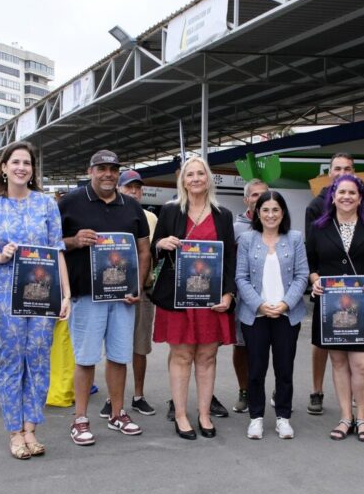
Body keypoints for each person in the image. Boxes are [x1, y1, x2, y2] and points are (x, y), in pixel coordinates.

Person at [0, 141, 70, 458]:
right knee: (12, 361)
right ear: (3, 167)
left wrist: (65, 294)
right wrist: (0, 256)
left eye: (27, 163)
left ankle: (31, 429)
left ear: (32, 171)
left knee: (39, 359)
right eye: (15, 162)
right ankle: (14, 432)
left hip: (43, 295)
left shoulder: (46, 205)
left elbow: (57, 252)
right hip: (5, 294)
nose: (21, 168)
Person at [59, 149, 151, 445]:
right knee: (85, 359)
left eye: (113, 168)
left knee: (119, 356)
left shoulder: (132, 207)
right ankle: (80, 419)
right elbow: (51, 244)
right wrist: (73, 241)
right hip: (87, 295)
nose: (108, 174)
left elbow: (144, 251)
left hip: (122, 296)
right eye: (102, 169)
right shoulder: (71, 202)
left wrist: (137, 286)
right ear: (90, 172)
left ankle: (117, 412)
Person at [150, 155, 237, 440]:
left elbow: (230, 258)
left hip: (211, 299)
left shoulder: (222, 214)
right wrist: (161, 243)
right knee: (182, 355)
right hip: (178, 298)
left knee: (208, 356)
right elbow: (156, 247)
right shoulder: (170, 210)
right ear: (182, 180)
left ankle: (204, 414)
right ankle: (180, 415)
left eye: (201, 174)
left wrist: (228, 292)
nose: (196, 179)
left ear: (208, 178)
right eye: (190, 175)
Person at [304, 153, 364, 416]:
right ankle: (346, 417)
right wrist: (314, 281)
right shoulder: (319, 227)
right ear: (332, 196)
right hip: (331, 305)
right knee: (339, 363)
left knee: (363, 365)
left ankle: (362, 417)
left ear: (360, 196)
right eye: (341, 192)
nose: (346, 197)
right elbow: (309, 263)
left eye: (352, 193)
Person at [236, 192, 309, 439]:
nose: (270, 215)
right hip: (255, 315)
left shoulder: (295, 238)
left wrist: (286, 304)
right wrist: (259, 304)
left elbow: (302, 275)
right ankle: (256, 417)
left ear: (283, 213)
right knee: (255, 370)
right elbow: (241, 277)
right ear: (257, 213)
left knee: (284, 369)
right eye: (265, 210)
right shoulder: (247, 239)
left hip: (287, 315)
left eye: (275, 210)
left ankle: (283, 417)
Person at [98, 169, 158, 418]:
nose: (133, 192)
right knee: (114, 347)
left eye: (137, 188)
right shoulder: (108, 213)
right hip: (112, 290)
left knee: (140, 346)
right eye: (128, 187)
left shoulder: (152, 218)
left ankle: (138, 396)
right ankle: (113, 398)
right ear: (119, 189)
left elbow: (153, 252)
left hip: (141, 290)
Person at [231, 177, 269, 414]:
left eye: (263, 194)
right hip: (244, 298)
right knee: (242, 346)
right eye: (254, 195)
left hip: (275, 298)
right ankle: (245, 391)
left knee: (276, 347)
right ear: (246, 199)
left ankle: (273, 390)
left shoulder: (280, 223)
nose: (259, 198)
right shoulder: (235, 228)